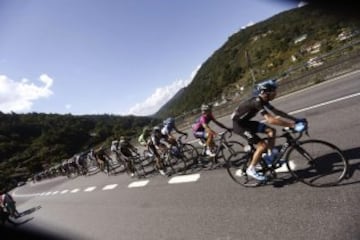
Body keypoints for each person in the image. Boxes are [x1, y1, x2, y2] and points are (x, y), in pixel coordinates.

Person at [231, 79, 307, 181]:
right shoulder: (257, 101)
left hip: (245, 123)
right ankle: (251, 169)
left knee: (271, 131)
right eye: (273, 91)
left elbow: (277, 112)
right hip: (239, 126)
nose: (275, 93)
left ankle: (269, 157)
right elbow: (270, 119)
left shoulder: (264, 100)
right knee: (262, 145)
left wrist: (296, 120)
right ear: (265, 92)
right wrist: (292, 125)